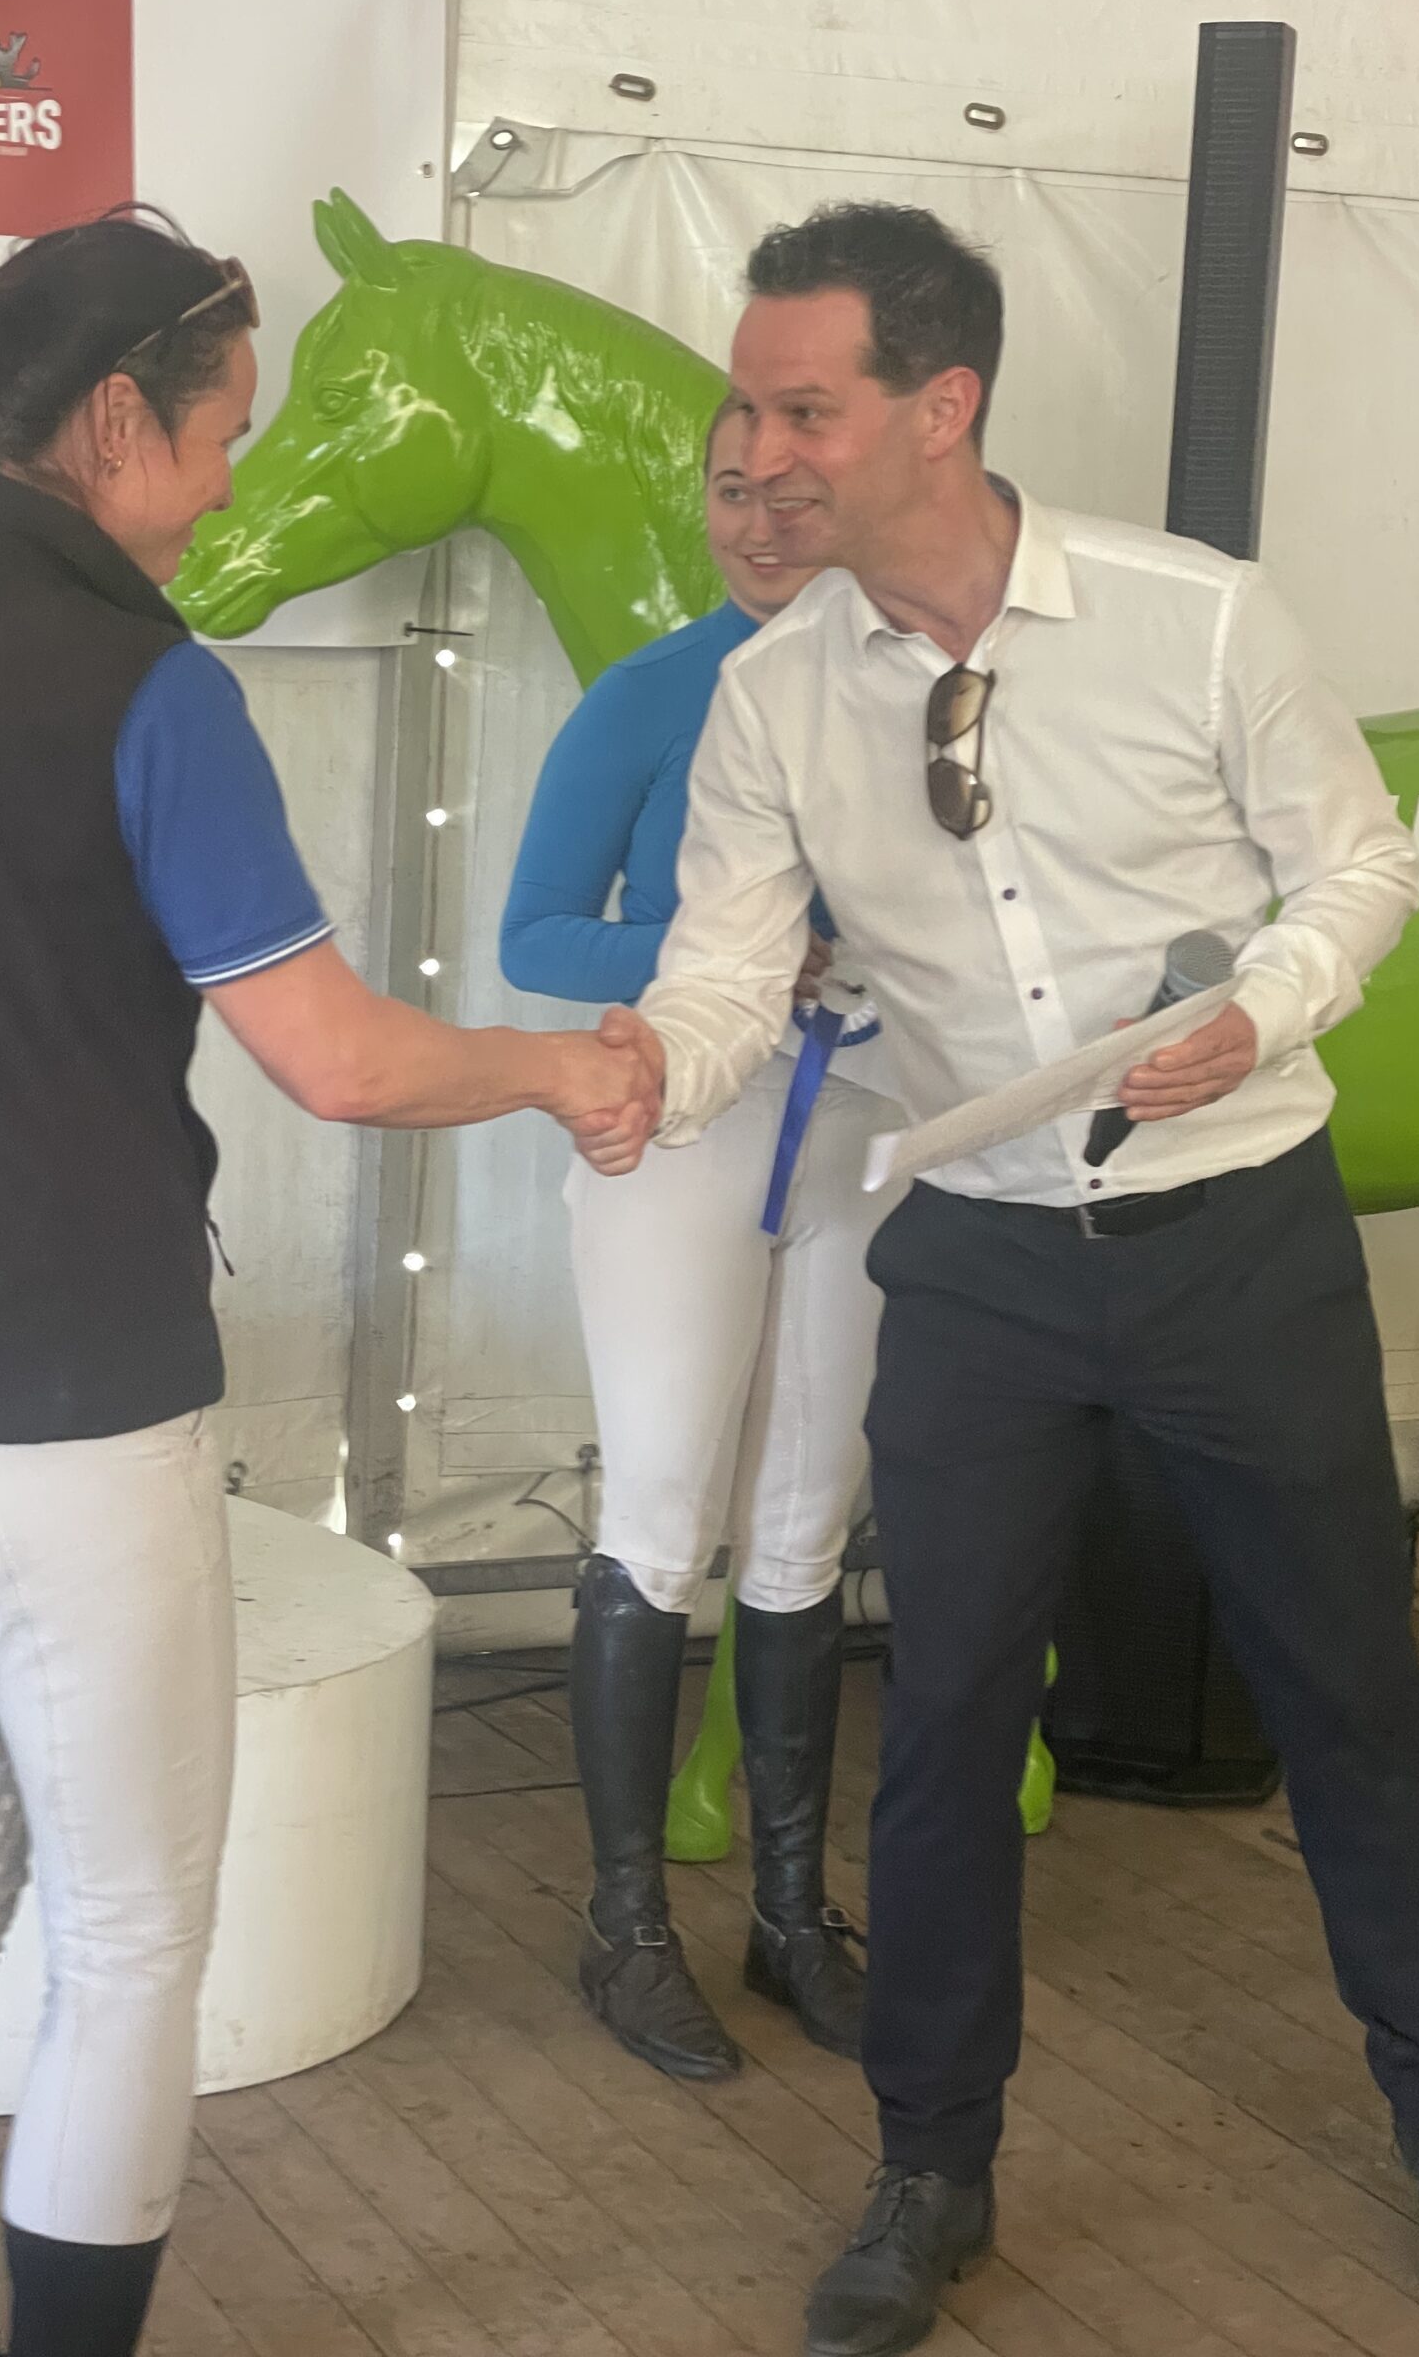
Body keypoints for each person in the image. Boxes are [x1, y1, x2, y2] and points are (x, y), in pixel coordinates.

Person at [0, 208, 653, 2357]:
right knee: (121, 1939)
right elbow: (339, 1059)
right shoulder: (149, 687)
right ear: (115, 422)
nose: (224, 486)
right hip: (58, 1428)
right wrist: (566, 1067)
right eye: (219, 436)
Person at [588, 202, 1419, 2357]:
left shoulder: (1195, 616)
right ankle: (929, 2162)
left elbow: (1360, 861)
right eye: (748, 409)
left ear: (942, 406)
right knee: (946, 1718)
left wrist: (1261, 1008)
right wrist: (637, 1066)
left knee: (1352, 1696)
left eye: (805, 409)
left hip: (1236, 1239)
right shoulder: (770, 696)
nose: (758, 451)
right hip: (977, 1261)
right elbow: (729, 976)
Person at [500, 405, 902, 2082]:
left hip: (870, 1126)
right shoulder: (652, 692)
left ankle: (792, 1916)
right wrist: (726, 950)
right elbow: (535, 935)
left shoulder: (917, 683)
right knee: (662, 1517)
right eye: (734, 491)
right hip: (682, 1127)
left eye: (796, 494)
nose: (762, 522)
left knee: (804, 1532)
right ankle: (629, 1928)